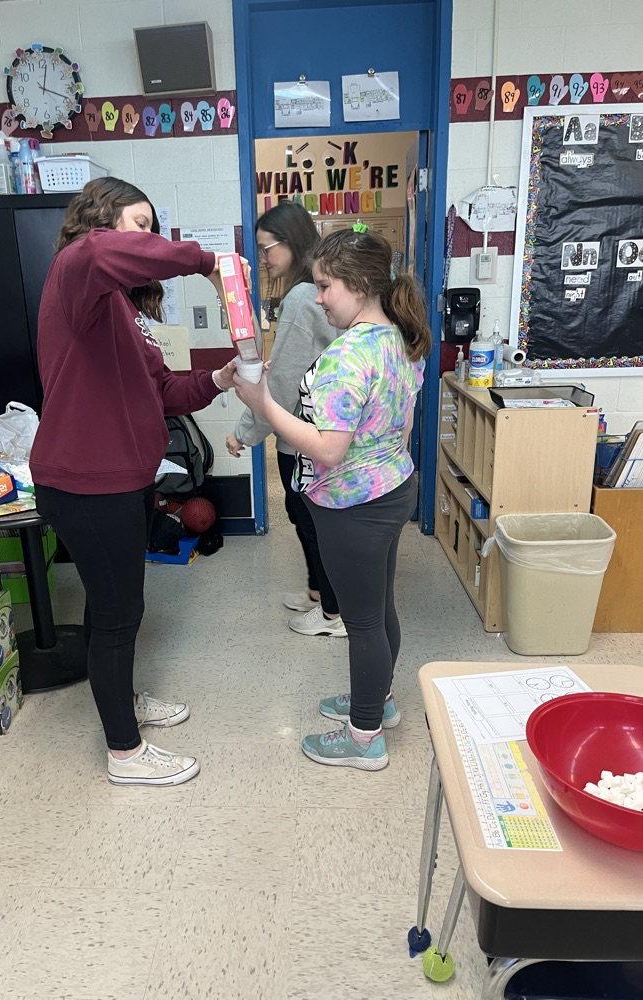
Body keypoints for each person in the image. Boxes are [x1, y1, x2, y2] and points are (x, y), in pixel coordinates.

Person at [30, 177, 247, 787]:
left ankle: (121, 702)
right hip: (85, 482)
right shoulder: (77, 270)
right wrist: (207, 261)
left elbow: (165, 392)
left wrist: (222, 378)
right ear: (99, 220)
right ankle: (124, 753)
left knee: (116, 608)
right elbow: (102, 251)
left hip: (122, 479)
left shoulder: (122, 308)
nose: (147, 236)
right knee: (121, 613)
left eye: (153, 224)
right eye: (139, 223)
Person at [233, 226, 431, 771]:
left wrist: (263, 404)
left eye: (324, 287)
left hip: (353, 504)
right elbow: (398, 422)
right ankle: (379, 701)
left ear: (358, 285)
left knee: (363, 622)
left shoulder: (348, 356)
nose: (317, 298)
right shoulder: (403, 336)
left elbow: (328, 450)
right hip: (393, 486)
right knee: (379, 608)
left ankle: (364, 737)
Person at [226, 203, 344, 637]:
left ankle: (333, 613)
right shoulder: (309, 292)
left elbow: (284, 383)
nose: (262, 259)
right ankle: (319, 594)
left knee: (310, 522)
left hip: (304, 435)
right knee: (306, 518)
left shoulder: (300, 296)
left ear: (291, 243)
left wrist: (245, 432)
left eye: (266, 248)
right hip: (315, 427)